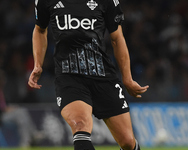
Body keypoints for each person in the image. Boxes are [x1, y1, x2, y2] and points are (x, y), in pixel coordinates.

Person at [28, 0, 149, 150]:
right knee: (80, 125)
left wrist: (127, 78)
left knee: (127, 142)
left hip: (103, 75)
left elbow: (117, 38)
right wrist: (38, 64)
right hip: (69, 77)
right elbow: (40, 30)